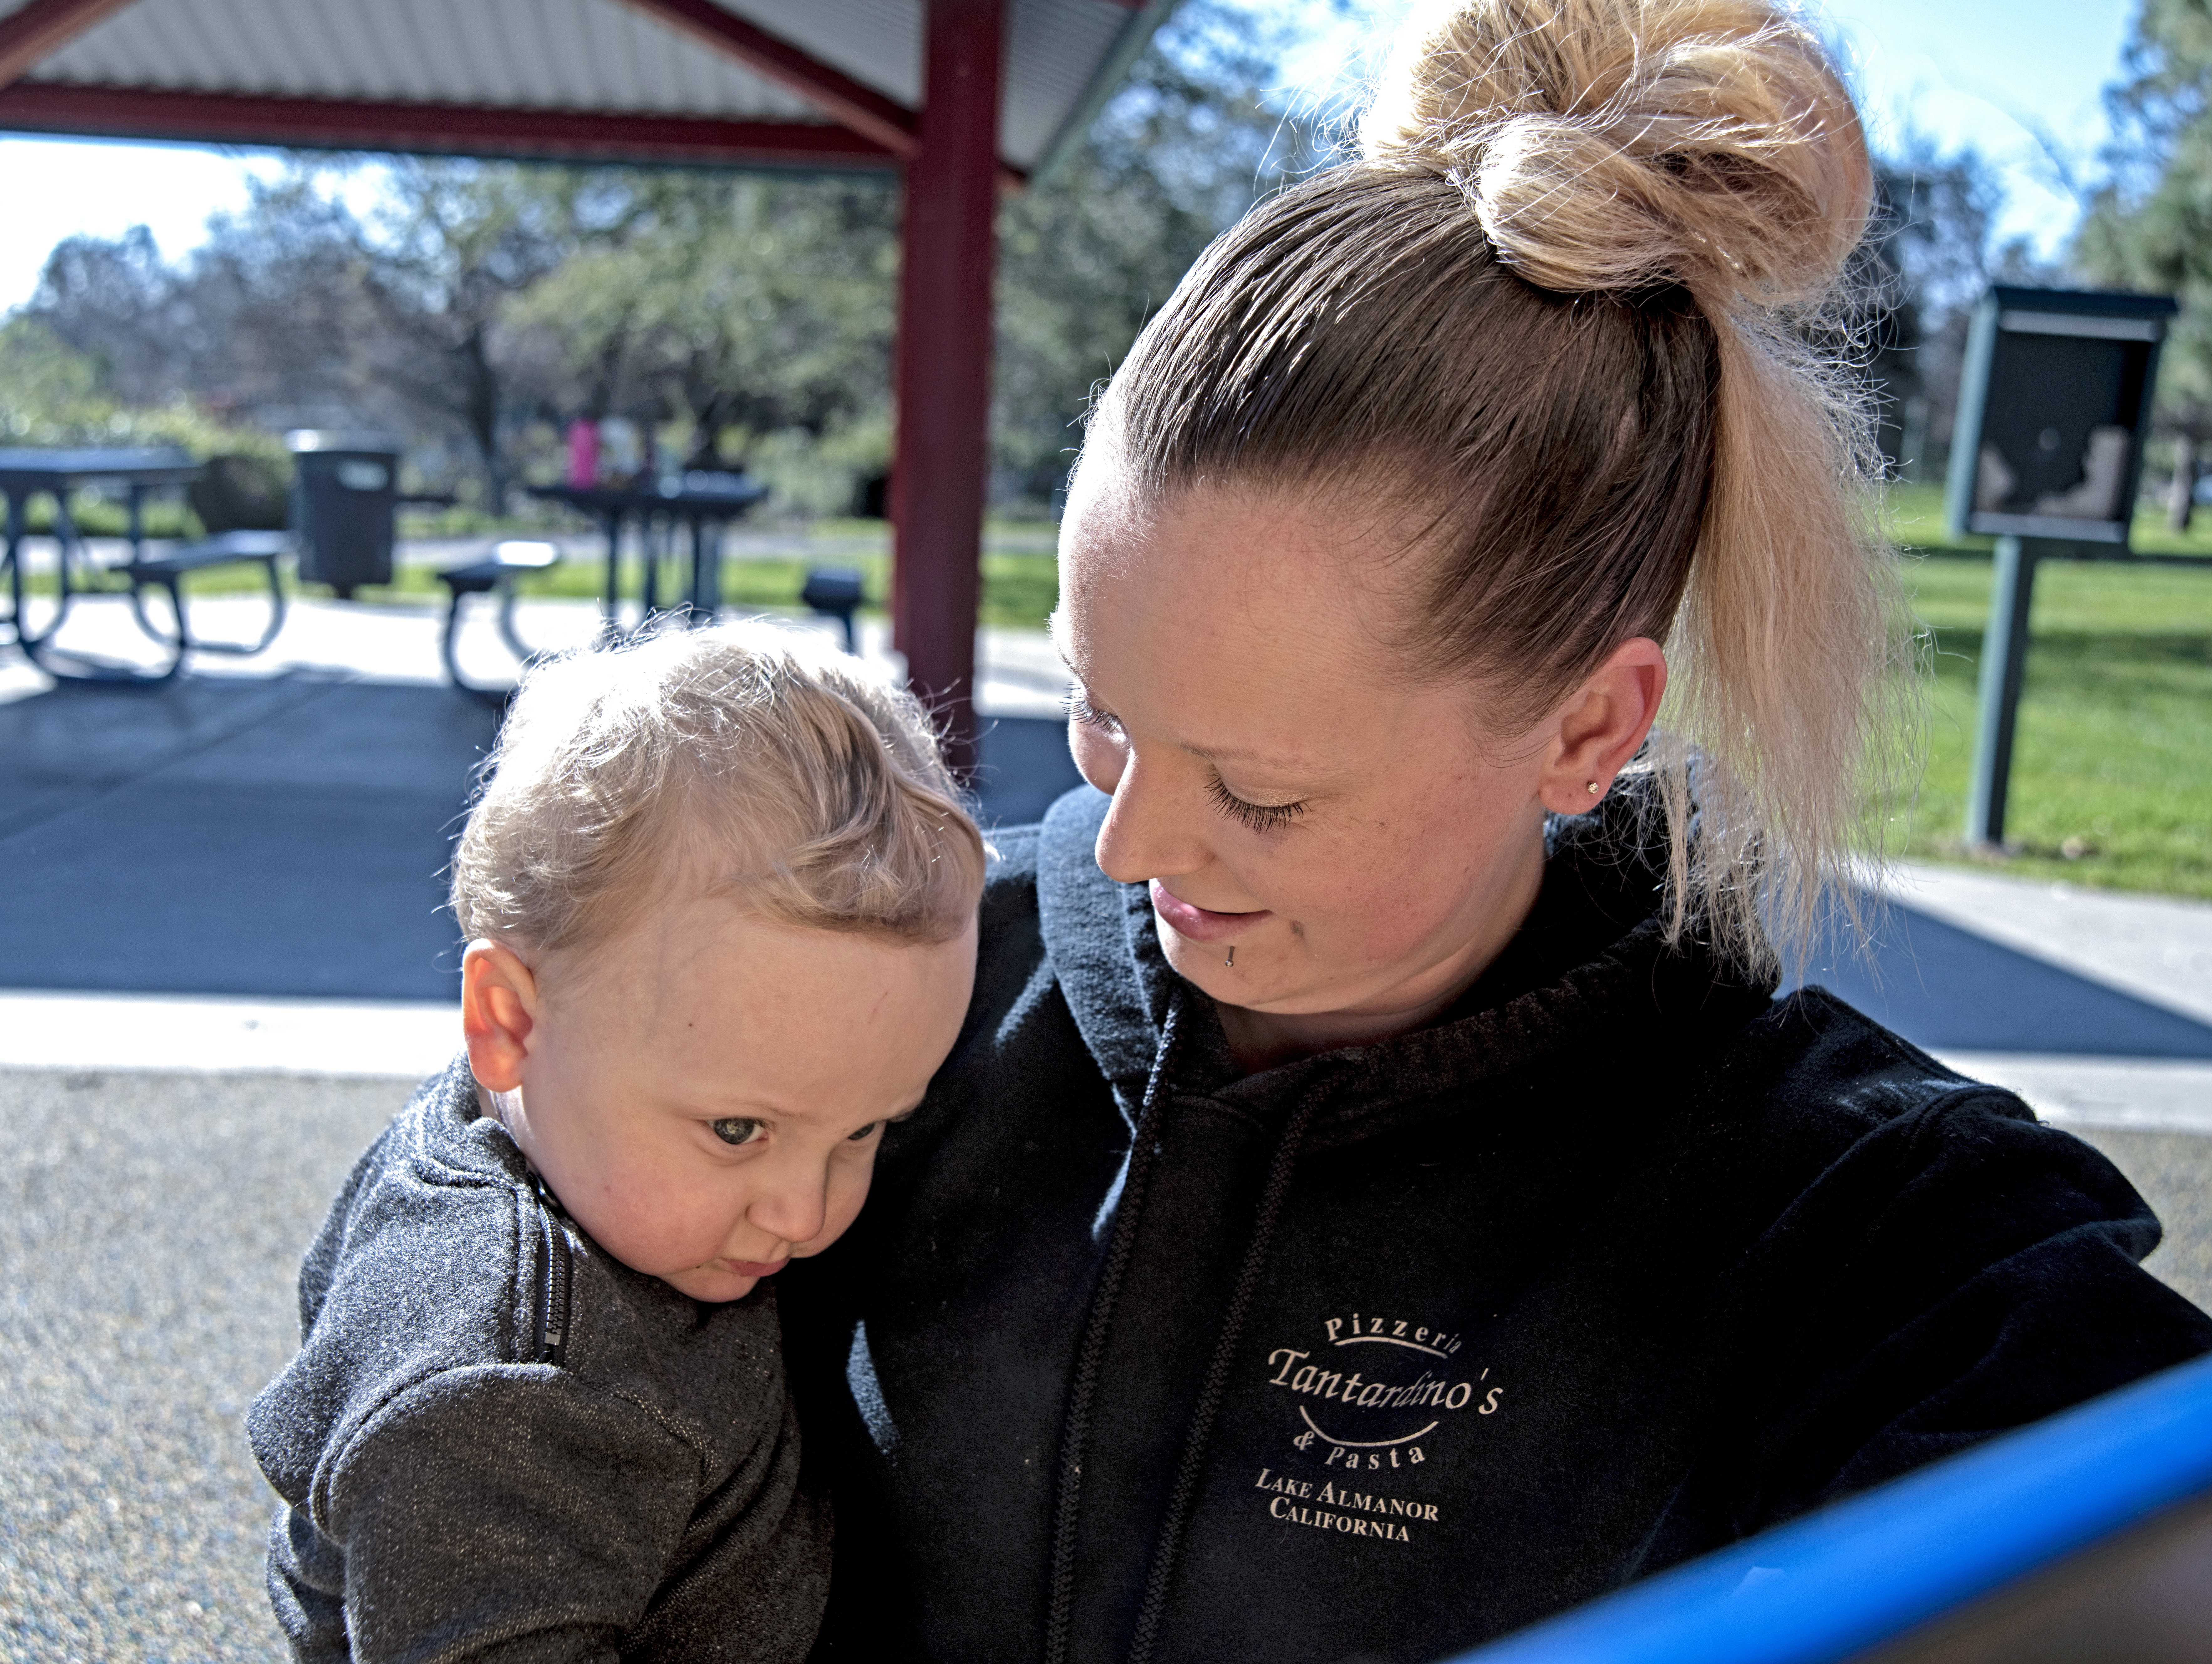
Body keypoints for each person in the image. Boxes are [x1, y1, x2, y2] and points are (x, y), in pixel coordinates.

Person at [780, 2, 2212, 1661]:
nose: (1121, 842)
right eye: (1100, 712)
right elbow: (507, 1217)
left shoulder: (1836, 1213)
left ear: (1590, 727)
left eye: (1262, 791)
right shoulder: (912, 975)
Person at [247, 624, 985, 1662]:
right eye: (739, 1131)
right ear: (508, 1022)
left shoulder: (534, 1134)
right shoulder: (510, 1394)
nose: (804, 1211)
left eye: (863, 1129)